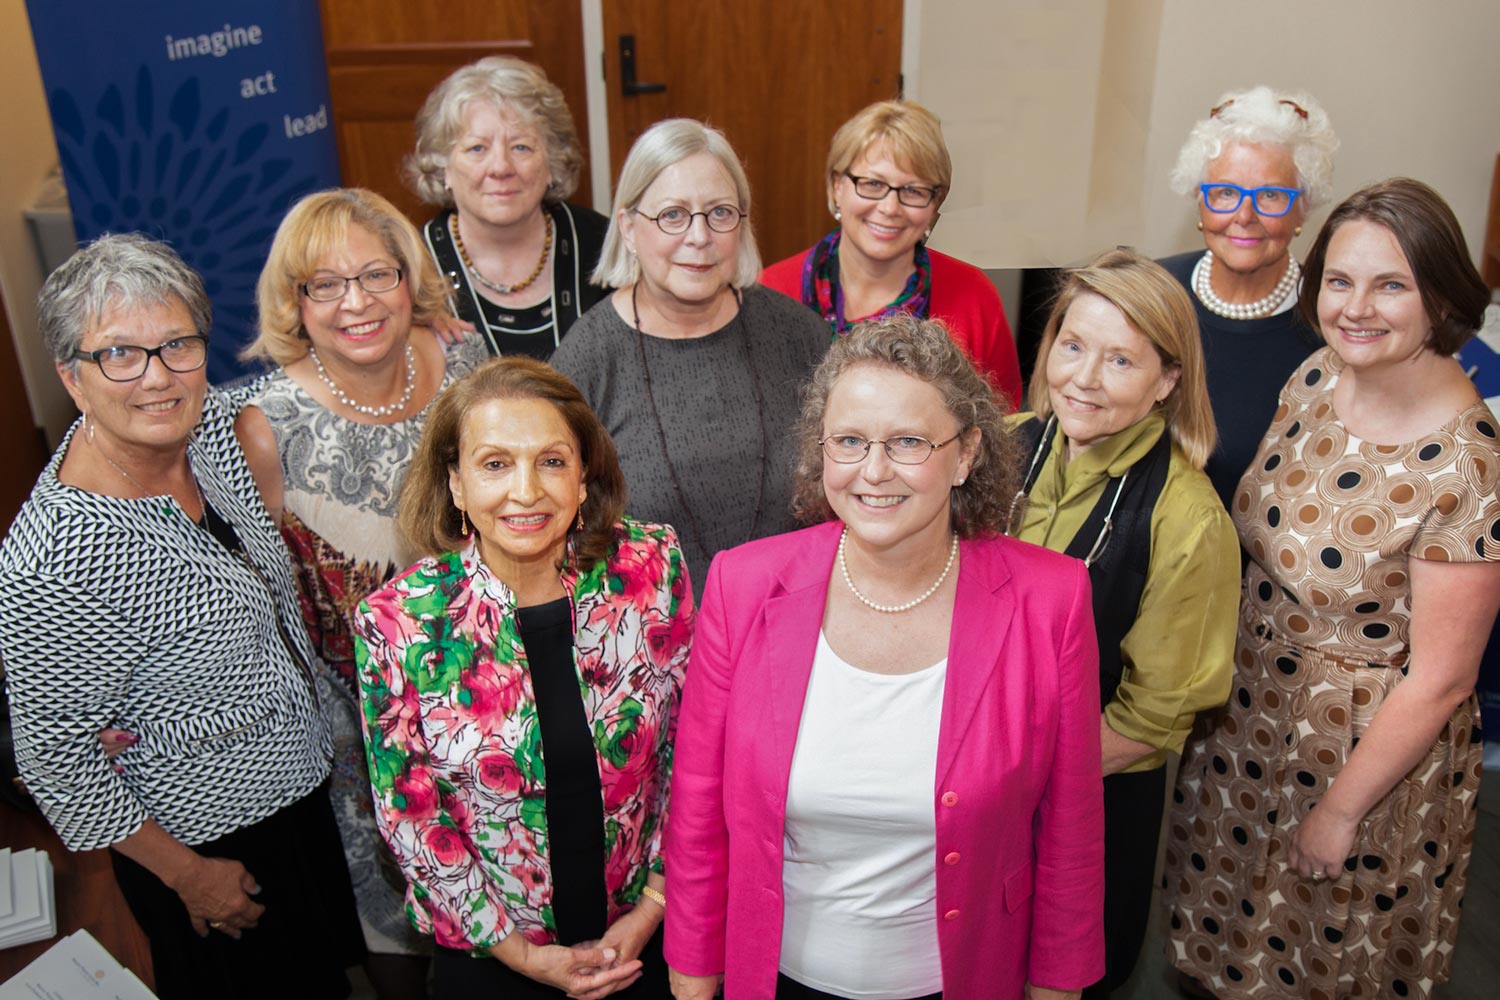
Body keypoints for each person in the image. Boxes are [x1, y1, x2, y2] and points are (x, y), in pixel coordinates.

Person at [666, 317, 1104, 1000]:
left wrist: (1058, 988)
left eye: (907, 442)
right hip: (778, 979)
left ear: (965, 456)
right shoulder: (742, 584)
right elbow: (696, 807)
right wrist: (693, 977)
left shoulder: (1051, 599)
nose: (873, 471)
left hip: (961, 978)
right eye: (849, 441)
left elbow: (1070, 827)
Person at [1163, 178, 1500, 999]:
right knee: (1220, 939)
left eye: (1392, 285)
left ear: (1444, 297)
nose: (1357, 307)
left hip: (1362, 754)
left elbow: (1443, 677)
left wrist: (1341, 811)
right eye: (1341, 281)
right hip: (1247, 720)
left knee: (1314, 959)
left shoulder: (1471, 466)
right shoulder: (1316, 375)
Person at [0, 234, 362, 998]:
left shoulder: (209, 436)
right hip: (207, 847)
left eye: (177, 345)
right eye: (120, 355)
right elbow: (53, 760)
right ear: (71, 376)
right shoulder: (57, 558)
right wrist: (190, 875)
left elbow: (303, 387)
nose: (157, 378)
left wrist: (419, 330)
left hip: (294, 797)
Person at [354, 357, 692, 998]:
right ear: (454, 484)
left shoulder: (650, 567)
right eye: (495, 463)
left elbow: (694, 748)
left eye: (552, 461)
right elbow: (412, 815)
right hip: (493, 963)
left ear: (586, 474)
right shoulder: (397, 622)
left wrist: (654, 906)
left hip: (646, 939)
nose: (527, 491)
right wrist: (524, 958)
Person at [234, 187, 489, 997]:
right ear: (295, 301)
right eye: (324, 284)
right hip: (358, 728)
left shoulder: (468, 362)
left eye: (376, 274)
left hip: (487, 695)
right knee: (398, 928)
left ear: (410, 277)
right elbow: (256, 601)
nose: (356, 302)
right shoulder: (264, 423)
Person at [1005, 249, 1239, 998]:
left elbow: (1148, 723)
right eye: (1071, 346)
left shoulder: (1188, 518)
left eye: (1120, 361)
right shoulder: (997, 447)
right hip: (969, 801)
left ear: (1168, 380)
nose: (1082, 378)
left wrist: (1001, 780)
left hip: (1087, 806)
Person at [550, 118, 828, 595]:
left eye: (719, 213)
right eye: (673, 215)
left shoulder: (797, 334)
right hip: (653, 645)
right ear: (630, 228)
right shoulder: (588, 361)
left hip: (796, 617)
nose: (699, 237)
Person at [760, 99, 1022, 406]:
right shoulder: (771, 291)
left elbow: (1003, 433)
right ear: (836, 187)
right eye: (872, 184)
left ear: (936, 202)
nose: (889, 208)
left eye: (913, 190)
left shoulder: (975, 298)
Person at [1159, 86, 1339, 505]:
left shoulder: (1331, 327)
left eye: (1271, 196)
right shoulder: (1153, 291)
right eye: (1225, 193)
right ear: (1200, 202)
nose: (1244, 216)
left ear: (1303, 207)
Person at [407, 56, 610, 358]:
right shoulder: (412, 267)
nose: (501, 167)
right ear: (442, 167)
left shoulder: (603, 245)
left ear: (552, 162)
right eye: (477, 148)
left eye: (521, 147)